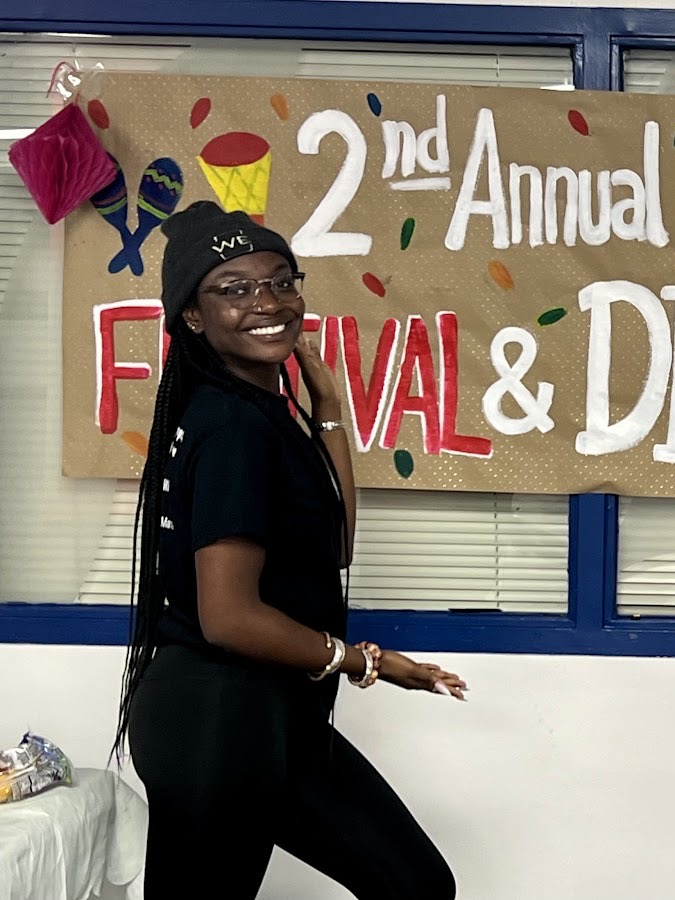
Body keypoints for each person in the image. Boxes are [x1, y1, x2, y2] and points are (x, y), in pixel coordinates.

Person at [114, 201, 465, 898]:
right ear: (193, 315)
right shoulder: (231, 427)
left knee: (417, 883)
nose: (268, 302)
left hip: (269, 715)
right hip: (218, 722)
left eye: (281, 280)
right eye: (235, 289)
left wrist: (327, 407)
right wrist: (367, 661)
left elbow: (335, 544)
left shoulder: (258, 413)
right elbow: (229, 617)